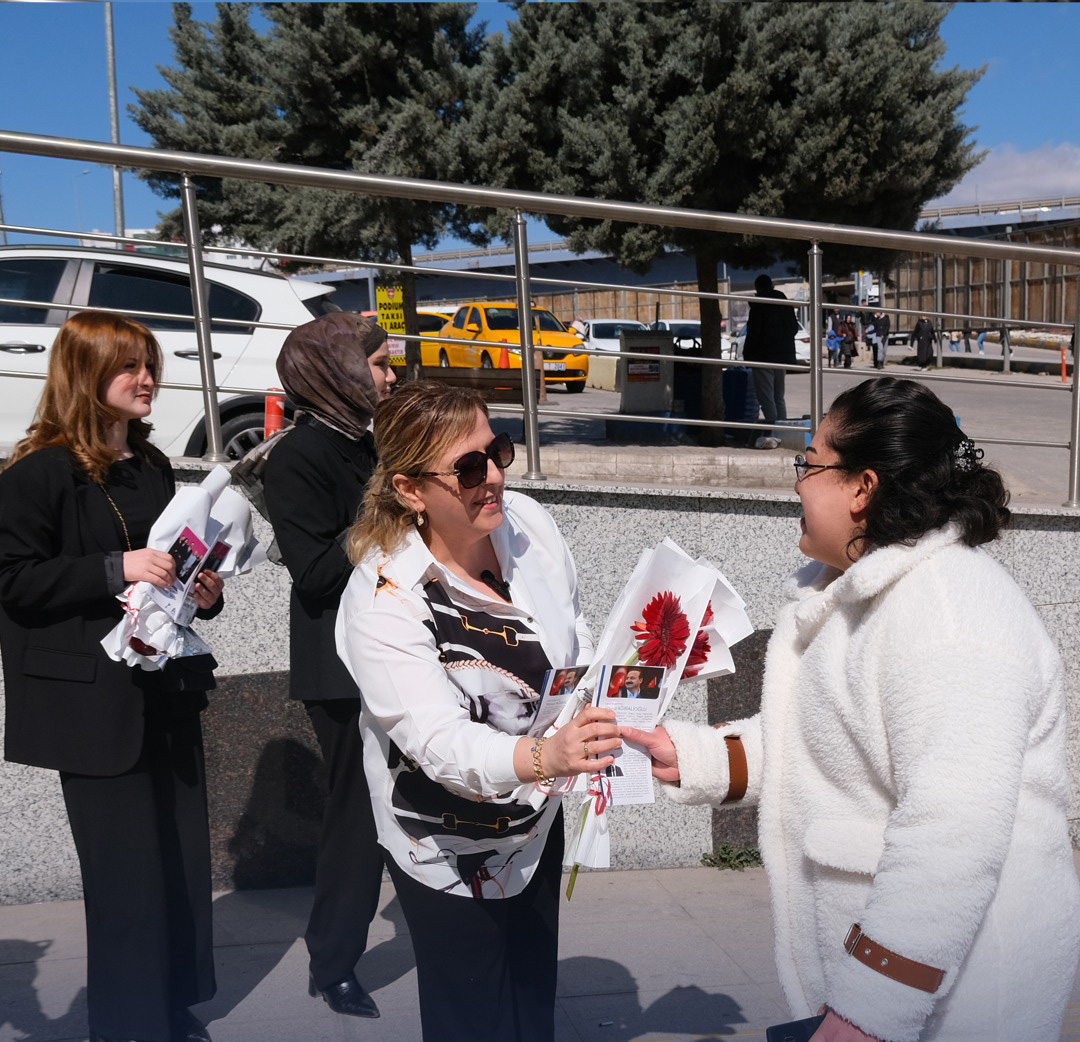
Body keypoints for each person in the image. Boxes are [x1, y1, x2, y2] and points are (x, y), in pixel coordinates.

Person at [624, 377, 1080, 1042]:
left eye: (808, 464)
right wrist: (694, 757)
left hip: (960, 1002)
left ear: (863, 487)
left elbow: (951, 831)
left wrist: (872, 1005)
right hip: (888, 995)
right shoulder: (867, 592)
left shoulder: (950, 615)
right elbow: (824, 738)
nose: (798, 485)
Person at [335, 381, 620, 1042]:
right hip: (445, 841)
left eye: (498, 450)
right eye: (467, 467)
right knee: (473, 1016)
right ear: (410, 489)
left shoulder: (527, 522)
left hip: (536, 817)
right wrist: (546, 754)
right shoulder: (383, 596)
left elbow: (572, 631)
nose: (492, 475)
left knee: (531, 999)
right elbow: (438, 743)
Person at [0, 311, 225, 1042]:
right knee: (125, 878)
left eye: (149, 363)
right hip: (93, 706)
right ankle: (130, 1026)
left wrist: (203, 589)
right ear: (85, 375)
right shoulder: (38, 473)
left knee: (179, 863)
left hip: (164, 687)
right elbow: (13, 579)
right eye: (129, 366)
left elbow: (166, 563)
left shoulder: (150, 465)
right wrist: (113, 568)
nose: (147, 378)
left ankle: (172, 1008)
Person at [261, 312, 396, 1019]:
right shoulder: (297, 458)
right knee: (357, 814)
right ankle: (334, 961)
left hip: (398, 648)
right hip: (339, 665)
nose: (391, 375)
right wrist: (386, 511)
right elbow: (313, 572)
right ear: (337, 371)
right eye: (379, 364)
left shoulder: (370, 441)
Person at [741, 274, 799, 449]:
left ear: (757, 288)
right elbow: (793, 328)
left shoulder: (759, 305)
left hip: (763, 356)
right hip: (782, 356)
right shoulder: (783, 301)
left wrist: (748, 354)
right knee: (778, 397)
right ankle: (784, 432)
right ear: (772, 285)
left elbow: (754, 333)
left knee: (766, 397)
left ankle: (774, 433)